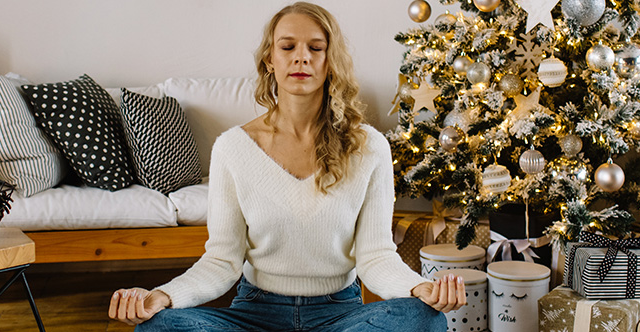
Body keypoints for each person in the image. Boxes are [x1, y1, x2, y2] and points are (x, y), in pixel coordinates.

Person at [109, 2, 465, 331]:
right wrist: (164, 296)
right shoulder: (233, 148)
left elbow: (376, 257)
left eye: (315, 47)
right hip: (254, 313)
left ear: (330, 61)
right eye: (288, 46)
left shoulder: (369, 147)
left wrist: (419, 287)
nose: (301, 58)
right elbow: (222, 261)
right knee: (157, 326)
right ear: (269, 59)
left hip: (339, 314)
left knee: (422, 319)